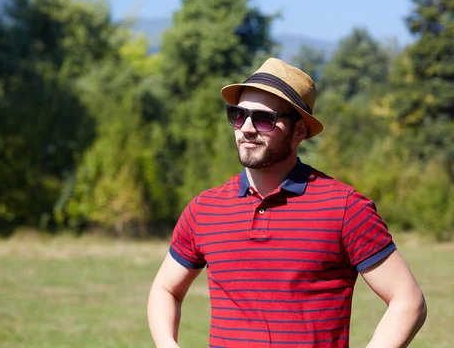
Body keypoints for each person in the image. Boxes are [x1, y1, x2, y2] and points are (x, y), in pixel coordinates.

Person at [147, 58, 427, 348]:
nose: (247, 128)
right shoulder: (204, 210)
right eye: (238, 115)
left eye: (264, 119)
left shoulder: (345, 208)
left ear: (299, 132)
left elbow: (408, 301)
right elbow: (166, 289)